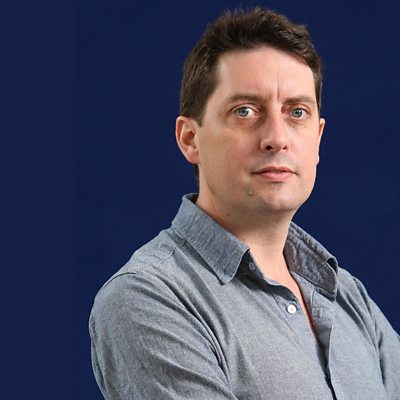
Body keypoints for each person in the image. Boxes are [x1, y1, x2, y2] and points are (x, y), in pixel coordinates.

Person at [89, 7, 400, 399]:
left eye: (297, 112)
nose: (277, 138)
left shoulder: (350, 298)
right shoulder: (148, 299)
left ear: (318, 138)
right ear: (190, 139)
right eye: (245, 111)